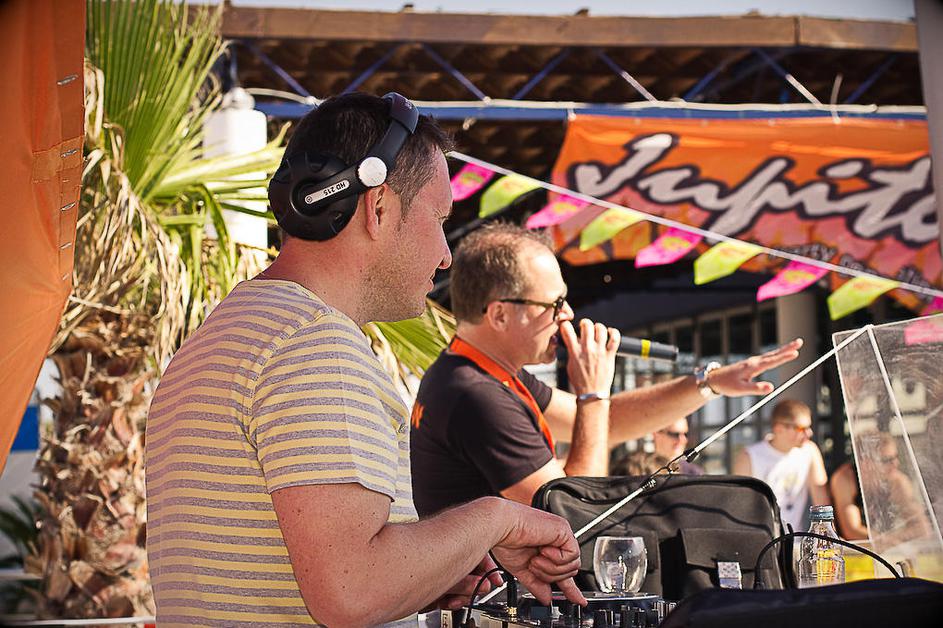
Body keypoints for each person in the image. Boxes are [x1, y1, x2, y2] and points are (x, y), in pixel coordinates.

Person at [145, 94, 587, 627]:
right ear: (377, 208)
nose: (446, 254)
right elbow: (350, 592)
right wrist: (496, 520)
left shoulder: (229, 331)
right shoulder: (316, 345)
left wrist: (423, 575)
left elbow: (298, 575)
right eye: (439, 219)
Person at [410, 223, 802, 516]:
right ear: (499, 315)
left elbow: (607, 424)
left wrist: (708, 383)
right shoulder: (475, 394)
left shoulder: (485, 373)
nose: (568, 314)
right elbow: (575, 514)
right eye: (554, 304)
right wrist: (592, 394)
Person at [733, 399, 829, 532]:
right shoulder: (749, 457)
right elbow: (740, 507)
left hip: (795, 539)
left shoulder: (810, 450)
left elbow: (822, 502)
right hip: (762, 539)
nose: (809, 433)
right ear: (779, 428)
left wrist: (828, 535)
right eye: (801, 428)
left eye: (809, 427)